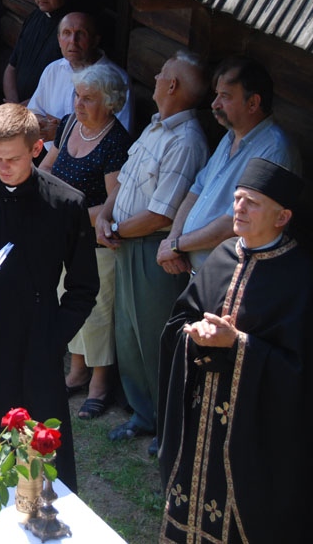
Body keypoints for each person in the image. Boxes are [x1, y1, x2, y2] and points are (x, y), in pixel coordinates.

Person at [157, 158, 313, 543]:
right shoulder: (223, 256)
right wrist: (192, 333)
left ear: (282, 216)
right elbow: (179, 321)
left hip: (256, 434)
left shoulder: (300, 278)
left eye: (252, 203)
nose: (238, 209)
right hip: (202, 415)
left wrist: (239, 345)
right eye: (238, 198)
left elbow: (304, 374)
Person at [0, 104, 98, 493]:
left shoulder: (66, 204)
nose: (3, 167)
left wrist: (53, 335)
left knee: (39, 457)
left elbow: (83, 287)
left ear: (37, 149)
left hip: (36, 343)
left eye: (13, 159)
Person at [96, 51, 209, 454]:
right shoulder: (156, 128)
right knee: (129, 334)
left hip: (149, 251)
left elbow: (162, 212)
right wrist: (105, 217)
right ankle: (143, 416)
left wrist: (114, 230)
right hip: (126, 242)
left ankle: (168, 427)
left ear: (173, 86)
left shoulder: (187, 141)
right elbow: (124, 183)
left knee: (155, 337)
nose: (157, 77)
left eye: (162, 73)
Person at [38, 64, 132, 419]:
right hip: (63, 237)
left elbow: (113, 203)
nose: (79, 103)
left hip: (94, 243)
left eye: (89, 98)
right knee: (68, 303)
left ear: (109, 103)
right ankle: (76, 371)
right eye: (78, 95)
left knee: (97, 312)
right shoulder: (69, 124)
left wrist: (65, 212)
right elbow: (47, 166)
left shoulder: (116, 141)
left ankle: (100, 383)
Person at [157, 57, 300, 271]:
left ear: (253, 103)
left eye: (225, 96)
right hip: (198, 272)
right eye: (216, 95)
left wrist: (177, 245)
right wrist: (174, 241)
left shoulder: (274, 151)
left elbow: (235, 225)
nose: (215, 104)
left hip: (230, 282)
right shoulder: (230, 137)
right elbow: (197, 189)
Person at [27, 12, 132, 147]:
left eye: (81, 33)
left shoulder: (117, 79)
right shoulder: (52, 70)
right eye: (66, 33)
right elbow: (34, 111)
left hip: (90, 165)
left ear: (95, 40)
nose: (73, 40)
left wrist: (61, 131)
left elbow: (119, 138)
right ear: (59, 40)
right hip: (46, 154)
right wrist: (45, 123)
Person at [3, 0, 73, 105]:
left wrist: (30, 106)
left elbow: (67, 86)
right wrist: (14, 104)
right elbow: (11, 68)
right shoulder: (33, 17)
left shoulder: (73, 29)